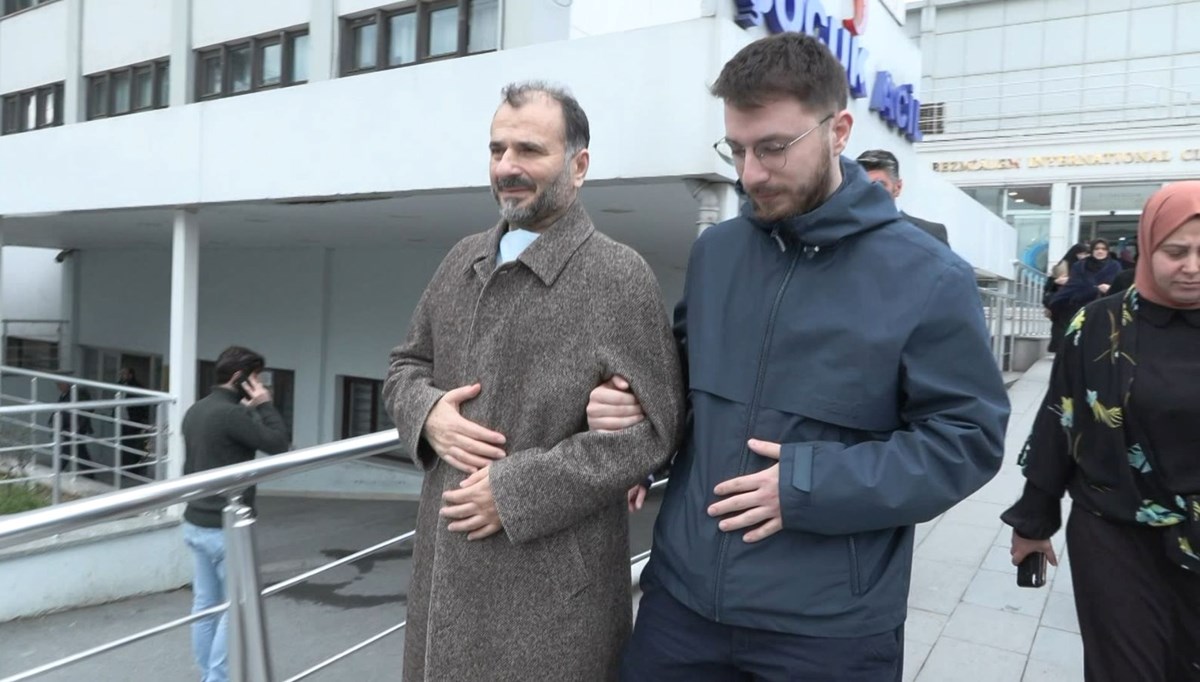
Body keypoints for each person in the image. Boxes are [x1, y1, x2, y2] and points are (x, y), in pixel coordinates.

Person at [588, 33, 1009, 681]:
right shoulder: (716, 253)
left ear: (838, 130)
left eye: (774, 147)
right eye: (737, 149)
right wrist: (639, 422)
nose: (751, 172)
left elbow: (968, 440)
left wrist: (810, 486)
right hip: (681, 605)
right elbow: (680, 385)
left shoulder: (930, 278)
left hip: (829, 630)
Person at [382, 82, 683, 681]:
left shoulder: (620, 276)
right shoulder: (462, 258)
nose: (507, 168)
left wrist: (518, 490)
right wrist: (428, 411)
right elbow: (403, 368)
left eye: (528, 151)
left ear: (579, 165)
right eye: (497, 150)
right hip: (442, 583)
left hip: (553, 600)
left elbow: (655, 430)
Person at [1002, 181, 1200, 681]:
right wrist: (1033, 521)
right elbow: (1058, 422)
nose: (1192, 266)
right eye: (1175, 251)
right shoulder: (1096, 324)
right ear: (1146, 248)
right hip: (1114, 532)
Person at [181, 346, 290, 682]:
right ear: (240, 378)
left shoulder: (197, 410)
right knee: (236, 606)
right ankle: (218, 678)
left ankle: (208, 675)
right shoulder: (232, 415)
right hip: (223, 529)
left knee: (205, 605)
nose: (260, 384)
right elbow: (278, 443)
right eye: (257, 378)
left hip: (195, 521)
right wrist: (265, 405)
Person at [856, 148, 950, 246]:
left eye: (879, 185)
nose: (871, 192)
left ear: (897, 188)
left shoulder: (930, 233)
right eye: (863, 185)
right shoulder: (845, 234)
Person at [1049, 238, 1121, 323]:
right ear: (1091, 250)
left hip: (1106, 308)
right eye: (1096, 249)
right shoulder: (1080, 265)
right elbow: (1074, 284)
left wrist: (1109, 289)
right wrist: (1095, 288)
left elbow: (1119, 286)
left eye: (1103, 249)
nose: (1100, 251)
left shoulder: (1114, 266)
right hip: (1081, 307)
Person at [1042, 243, 1089, 353]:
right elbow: (1049, 287)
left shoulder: (1087, 267)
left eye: (1086, 253)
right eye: (1082, 253)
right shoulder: (1062, 266)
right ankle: (1060, 349)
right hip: (1062, 303)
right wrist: (1056, 282)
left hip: (1078, 302)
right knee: (1061, 327)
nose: (1084, 256)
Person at [50, 377, 97, 478]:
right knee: (79, 451)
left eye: (60, 385)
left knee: (68, 450)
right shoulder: (65, 394)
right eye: (57, 385)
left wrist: (77, 426)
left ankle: (57, 472)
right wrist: (53, 422)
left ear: (67, 384)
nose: (59, 388)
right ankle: (89, 473)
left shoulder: (77, 393)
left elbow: (88, 409)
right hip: (69, 428)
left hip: (76, 428)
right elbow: (59, 410)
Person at [117, 367, 153, 481]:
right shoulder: (120, 385)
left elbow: (142, 406)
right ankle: (125, 469)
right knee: (123, 446)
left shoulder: (137, 387)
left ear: (131, 375)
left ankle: (133, 470)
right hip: (122, 421)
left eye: (124, 373)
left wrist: (141, 419)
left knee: (133, 446)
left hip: (133, 421)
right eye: (121, 373)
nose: (122, 376)